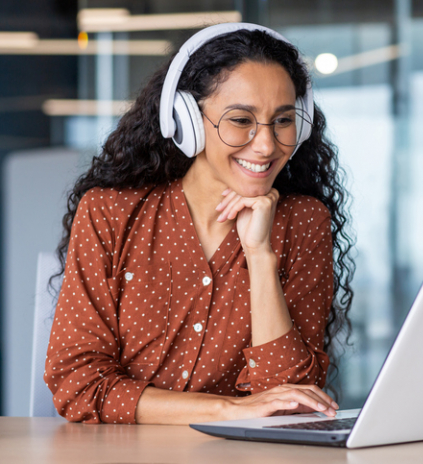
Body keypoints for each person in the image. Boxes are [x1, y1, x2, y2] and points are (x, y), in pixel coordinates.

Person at [44, 23, 354, 425]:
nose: (266, 145)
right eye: (241, 120)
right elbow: (78, 384)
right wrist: (226, 409)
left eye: (283, 121)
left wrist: (260, 258)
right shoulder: (109, 213)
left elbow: (291, 399)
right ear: (186, 121)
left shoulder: (304, 222)